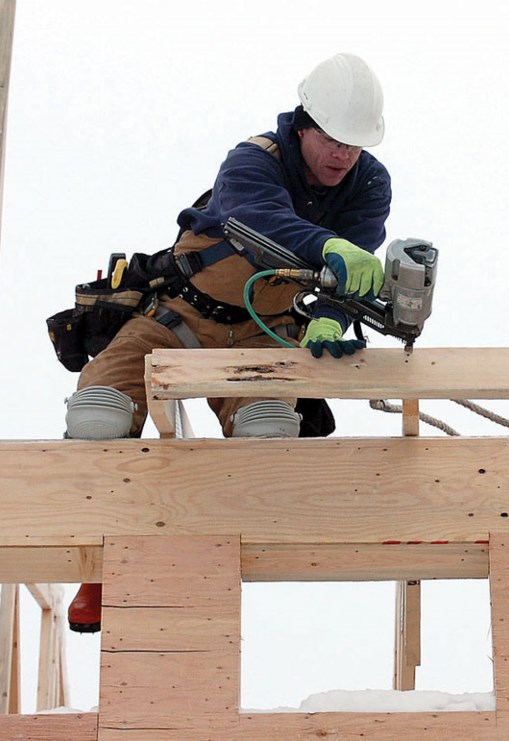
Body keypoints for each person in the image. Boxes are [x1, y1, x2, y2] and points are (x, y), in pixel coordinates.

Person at [66, 52, 392, 632]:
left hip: (265, 334)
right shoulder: (253, 160)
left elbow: (357, 264)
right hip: (177, 318)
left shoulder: (368, 183)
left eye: (356, 143)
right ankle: (98, 567)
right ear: (304, 125)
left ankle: (206, 574)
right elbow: (256, 216)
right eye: (334, 139)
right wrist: (328, 248)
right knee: (98, 416)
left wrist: (330, 320)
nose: (344, 154)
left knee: (268, 436)